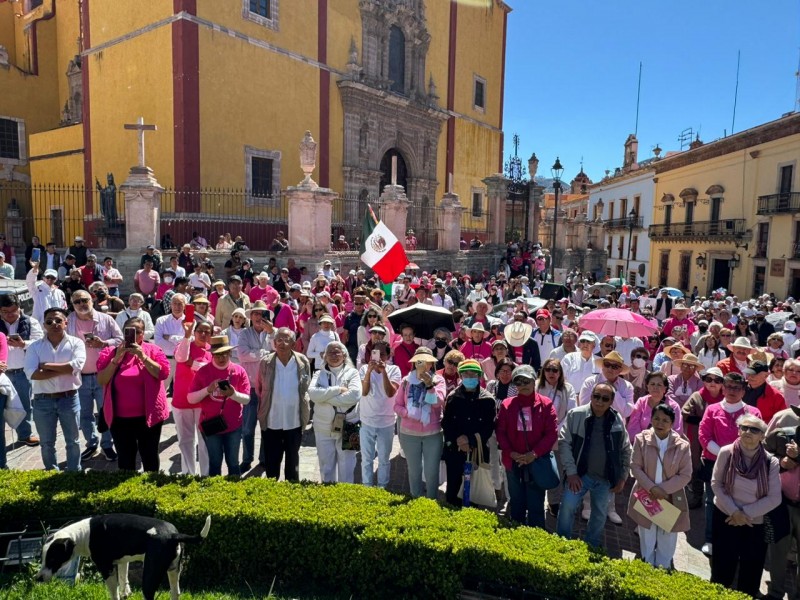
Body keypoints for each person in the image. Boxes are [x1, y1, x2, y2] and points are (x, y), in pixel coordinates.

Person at [710, 413, 780, 597]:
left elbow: (774, 498)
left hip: (754, 523)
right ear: (739, 431)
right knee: (722, 567)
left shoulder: (770, 462)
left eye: (754, 429)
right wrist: (734, 512)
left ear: (762, 436)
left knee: (750, 571)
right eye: (744, 428)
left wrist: (744, 514)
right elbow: (716, 484)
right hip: (725, 516)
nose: (748, 432)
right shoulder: (726, 452)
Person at [557, 381, 632, 549]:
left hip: (605, 479)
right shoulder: (575, 415)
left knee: (599, 515)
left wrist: (622, 477)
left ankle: (591, 547)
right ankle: (560, 544)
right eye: (596, 396)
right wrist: (571, 472)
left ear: (611, 401)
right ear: (590, 396)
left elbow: (626, 449)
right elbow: (564, 443)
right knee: (567, 507)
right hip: (579, 475)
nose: (599, 401)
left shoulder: (617, 420)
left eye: (605, 398)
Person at [697, 372, 763, 557]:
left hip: (745, 466)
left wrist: (737, 457)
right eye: (728, 386)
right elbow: (704, 436)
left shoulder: (753, 413)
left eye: (737, 387)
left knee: (739, 503)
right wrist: (725, 455)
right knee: (712, 501)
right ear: (723, 388)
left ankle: (737, 543)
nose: (732, 390)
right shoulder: (712, 409)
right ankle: (710, 539)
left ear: (743, 391)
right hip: (714, 464)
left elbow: (756, 439)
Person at [96, 316, 170, 472]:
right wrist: (116, 359)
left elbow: (162, 373)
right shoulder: (110, 352)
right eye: (130, 331)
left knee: (149, 456)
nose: (134, 335)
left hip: (149, 417)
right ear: (123, 333)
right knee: (125, 459)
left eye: (138, 331)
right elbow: (102, 379)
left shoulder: (153, 350)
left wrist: (143, 356)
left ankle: (152, 490)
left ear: (143, 334)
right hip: (119, 419)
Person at [627, 403, 692, 569]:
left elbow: (685, 475)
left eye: (665, 420)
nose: (659, 423)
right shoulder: (642, 439)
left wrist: (663, 490)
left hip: (669, 498)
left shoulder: (682, 445)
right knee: (646, 531)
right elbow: (635, 467)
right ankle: (647, 565)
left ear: (672, 423)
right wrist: (652, 488)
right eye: (656, 418)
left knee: (667, 534)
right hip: (646, 494)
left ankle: (663, 568)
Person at [495, 364, 558, 528]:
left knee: (536, 504)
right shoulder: (507, 405)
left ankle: (535, 540)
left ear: (534, 381)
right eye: (519, 382)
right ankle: (517, 538)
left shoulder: (546, 404)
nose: (523, 386)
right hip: (513, 461)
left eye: (526, 381)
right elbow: (500, 432)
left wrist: (534, 454)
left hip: (536, 462)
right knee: (516, 503)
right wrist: (511, 453)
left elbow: (551, 433)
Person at [24, 307, 86, 471]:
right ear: (44, 324)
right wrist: (64, 369)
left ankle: (74, 472)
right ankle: (51, 472)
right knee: (46, 442)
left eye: (58, 320)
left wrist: (46, 366)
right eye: (49, 321)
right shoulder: (34, 347)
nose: (54, 324)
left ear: (66, 322)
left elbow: (76, 366)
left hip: (69, 398)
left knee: (73, 440)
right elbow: (32, 374)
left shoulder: (76, 343)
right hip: (42, 401)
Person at [67, 289, 123, 462]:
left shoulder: (106, 319)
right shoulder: (68, 321)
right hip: (79, 376)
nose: (82, 304)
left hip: (103, 376)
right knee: (84, 414)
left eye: (84, 300)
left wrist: (104, 343)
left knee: (106, 412)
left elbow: (120, 339)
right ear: (72, 304)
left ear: (92, 299)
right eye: (77, 302)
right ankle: (91, 443)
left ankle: (107, 445)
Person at [187, 335, 250, 477]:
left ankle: (234, 494)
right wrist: (207, 390)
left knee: (233, 462)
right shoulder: (203, 372)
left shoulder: (239, 371)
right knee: (215, 463)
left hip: (233, 425)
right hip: (211, 425)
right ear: (212, 355)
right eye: (217, 355)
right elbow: (190, 398)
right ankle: (215, 495)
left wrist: (233, 394)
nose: (221, 358)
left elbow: (246, 399)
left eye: (225, 354)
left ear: (230, 353)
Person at [257, 327, 312, 481]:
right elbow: (260, 388)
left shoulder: (302, 361)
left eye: (286, 339)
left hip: (294, 420)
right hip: (272, 420)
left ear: (293, 344)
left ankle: (292, 493)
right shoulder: (266, 362)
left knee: (292, 462)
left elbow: (305, 387)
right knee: (272, 462)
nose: (282, 343)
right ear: (274, 343)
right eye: (278, 340)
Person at [441, 359, 497, 506]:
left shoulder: (488, 400)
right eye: (466, 374)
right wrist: (458, 440)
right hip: (455, 450)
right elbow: (446, 423)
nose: (470, 377)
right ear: (460, 376)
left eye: (473, 374)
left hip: (476, 451)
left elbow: (488, 427)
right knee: (453, 490)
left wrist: (470, 440)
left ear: (479, 376)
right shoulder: (453, 397)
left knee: (473, 494)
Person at [393, 347, 447, 499]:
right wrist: (407, 414)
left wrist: (429, 386)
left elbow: (438, 403)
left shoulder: (438, 380)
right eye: (419, 361)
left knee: (431, 472)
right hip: (409, 434)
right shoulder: (406, 381)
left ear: (431, 364)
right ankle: (416, 501)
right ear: (414, 363)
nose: (423, 364)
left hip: (432, 434)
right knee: (414, 471)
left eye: (426, 361)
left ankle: (431, 502)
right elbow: (396, 406)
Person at [309, 341, 361, 483]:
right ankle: (328, 496)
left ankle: (345, 498)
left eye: (337, 351)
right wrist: (337, 390)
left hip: (350, 425)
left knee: (348, 467)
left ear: (344, 355)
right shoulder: (318, 374)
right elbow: (313, 394)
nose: (334, 355)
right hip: (322, 427)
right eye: (330, 352)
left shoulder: (353, 373)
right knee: (326, 467)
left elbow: (355, 395)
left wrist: (324, 398)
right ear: (325, 356)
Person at [0, 293, 43, 447]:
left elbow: (40, 344)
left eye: (13, 311)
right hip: (2, 374)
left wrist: (23, 344)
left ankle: (25, 434)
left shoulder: (31, 322)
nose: (10, 315)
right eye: (5, 312)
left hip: (22, 372)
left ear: (19, 308)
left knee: (24, 405)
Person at [535, 358, 576, 516]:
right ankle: (536, 499)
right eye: (548, 369)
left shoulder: (568, 388)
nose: (551, 373)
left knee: (556, 471)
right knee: (537, 468)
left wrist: (555, 430)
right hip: (538, 436)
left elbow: (570, 412)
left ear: (560, 373)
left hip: (558, 437)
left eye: (555, 370)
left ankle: (553, 502)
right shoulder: (537, 385)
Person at [681, 366, 725, 509]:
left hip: (719, 438)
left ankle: (719, 497)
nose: (713, 383)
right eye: (708, 379)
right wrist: (704, 422)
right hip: (696, 437)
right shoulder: (697, 396)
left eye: (717, 380)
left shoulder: (726, 399)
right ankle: (697, 495)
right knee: (696, 465)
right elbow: (685, 413)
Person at [173, 320, 213, 475]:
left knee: (205, 441)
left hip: (204, 403)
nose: (203, 334)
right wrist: (187, 334)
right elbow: (182, 358)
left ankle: (205, 475)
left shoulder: (212, 351)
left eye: (207, 331)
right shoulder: (185, 345)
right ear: (194, 332)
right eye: (200, 331)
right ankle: (189, 473)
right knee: (186, 441)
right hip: (182, 401)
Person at [360, 340, 401, 488]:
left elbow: (390, 393)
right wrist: (370, 372)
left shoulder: (394, 370)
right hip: (367, 421)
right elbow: (364, 392)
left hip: (386, 423)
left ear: (388, 356)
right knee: (367, 458)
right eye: (375, 353)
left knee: (384, 459)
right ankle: (366, 487)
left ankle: (382, 488)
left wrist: (383, 372)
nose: (379, 357)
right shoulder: (364, 369)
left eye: (382, 354)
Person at [627, 371, 683, 441]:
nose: (655, 387)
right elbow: (633, 427)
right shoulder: (641, 402)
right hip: (642, 444)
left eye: (659, 385)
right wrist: (642, 442)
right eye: (652, 384)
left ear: (665, 388)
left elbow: (677, 430)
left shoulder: (673, 406)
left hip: (665, 446)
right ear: (647, 386)